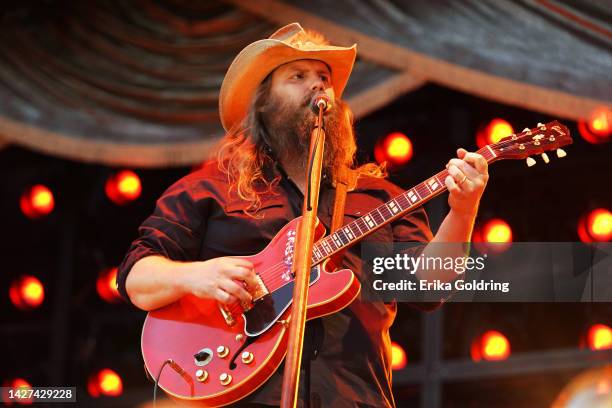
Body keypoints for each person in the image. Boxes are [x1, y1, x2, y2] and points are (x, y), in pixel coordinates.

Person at [117, 23, 489, 408]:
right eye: (298, 76)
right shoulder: (210, 188)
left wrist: (463, 209)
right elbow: (136, 279)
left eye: (324, 78)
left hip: (353, 396)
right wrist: (198, 275)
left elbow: (427, 287)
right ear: (263, 102)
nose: (317, 86)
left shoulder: (376, 198)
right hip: (238, 393)